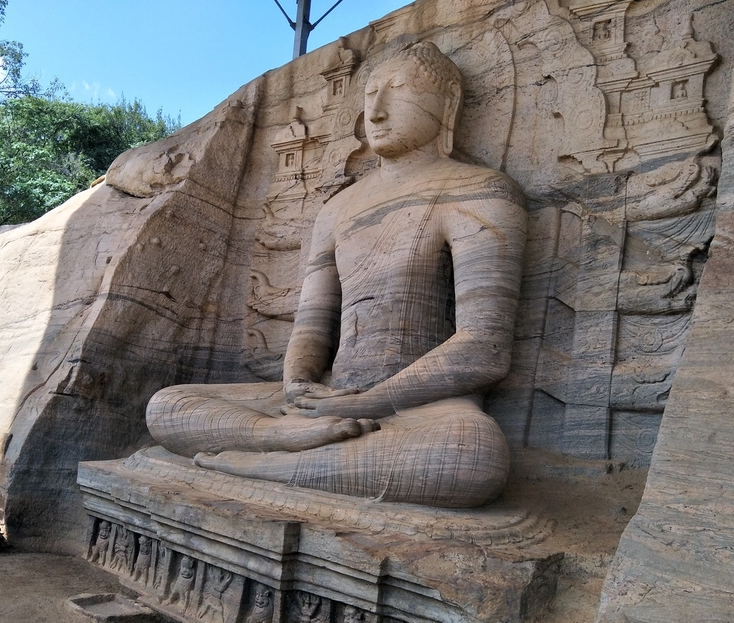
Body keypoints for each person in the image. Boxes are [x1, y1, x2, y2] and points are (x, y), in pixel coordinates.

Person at [146, 41, 527, 508]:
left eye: (399, 90)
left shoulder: (480, 191)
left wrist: (363, 404)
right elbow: (310, 326)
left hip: (420, 409)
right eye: (369, 94)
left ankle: (264, 465)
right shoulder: (337, 208)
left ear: (448, 102)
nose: (378, 111)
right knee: (168, 405)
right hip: (325, 402)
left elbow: (484, 348)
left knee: (472, 457)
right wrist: (298, 387)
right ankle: (278, 438)